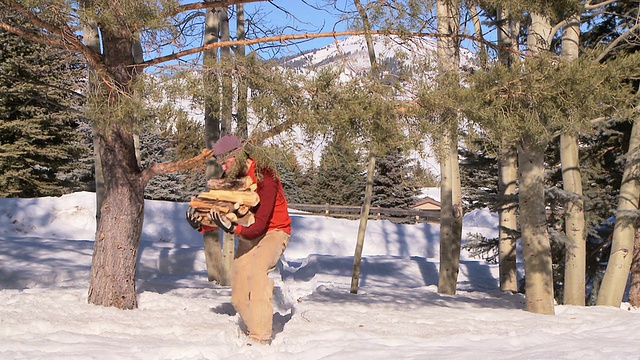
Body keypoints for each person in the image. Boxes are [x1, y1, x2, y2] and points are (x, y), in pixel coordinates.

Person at [186, 135, 292, 345]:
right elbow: (223, 212)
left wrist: (233, 229)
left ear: (239, 156)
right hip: (246, 233)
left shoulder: (265, 176)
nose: (223, 166)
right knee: (239, 296)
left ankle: (260, 338)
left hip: (273, 231)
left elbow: (260, 225)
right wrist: (202, 224)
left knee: (258, 271)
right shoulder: (231, 178)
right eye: (221, 162)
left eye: (227, 161)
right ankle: (256, 327)